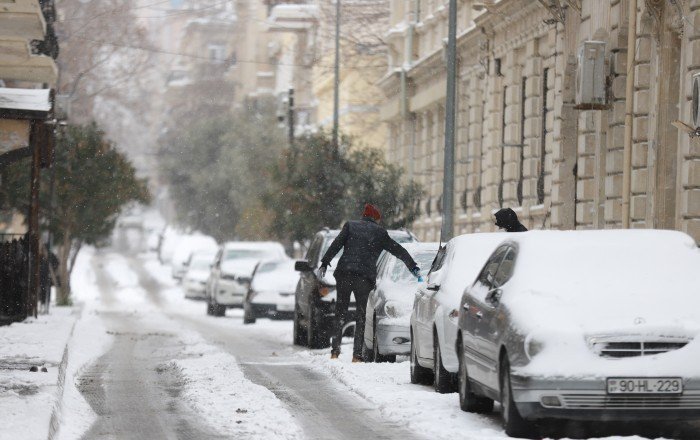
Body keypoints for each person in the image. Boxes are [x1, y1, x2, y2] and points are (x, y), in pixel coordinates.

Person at [320, 203, 420, 362]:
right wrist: (412, 266)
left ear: (364, 216)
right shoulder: (379, 232)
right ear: (376, 218)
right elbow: (397, 250)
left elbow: (336, 244)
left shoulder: (350, 226)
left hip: (344, 273)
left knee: (340, 312)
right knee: (361, 316)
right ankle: (356, 355)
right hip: (363, 278)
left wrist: (325, 262)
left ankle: (334, 352)